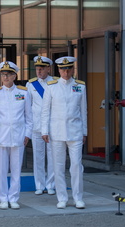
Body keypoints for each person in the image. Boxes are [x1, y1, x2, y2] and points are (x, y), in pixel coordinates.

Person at [41, 56, 87, 209]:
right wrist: (44, 130)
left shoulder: (80, 86)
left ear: (73, 69)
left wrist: (85, 131)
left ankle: (78, 197)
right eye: (62, 69)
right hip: (57, 131)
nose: (66, 72)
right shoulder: (51, 86)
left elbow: (83, 111)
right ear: (58, 70)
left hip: (75, 131)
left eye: (68, 69)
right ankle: (62, 197)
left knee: (76, 166)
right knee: (58, 166)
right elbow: (45, 110)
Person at [0, 61, 33, 210]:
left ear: (14, 76)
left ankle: (13, 197)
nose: (5, 77)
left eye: (8, 74)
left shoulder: (23, 93)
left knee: (16, 170)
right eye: (3, 74)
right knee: (1, 170)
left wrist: (27, 134)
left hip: (18, 136)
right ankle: (3, 198)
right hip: (0, 136)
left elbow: (29, 117)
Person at [27, 56, 56, 196]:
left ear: (48, 69)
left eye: (42, 68)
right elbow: (28, 106)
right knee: (38, 157)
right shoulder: (31, 84)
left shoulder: (55, 83)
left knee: (52, 157)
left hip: (51, 125)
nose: (38, 71)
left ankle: (51, 184)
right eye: (37, 69)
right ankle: (39, 185)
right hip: (37, 126)